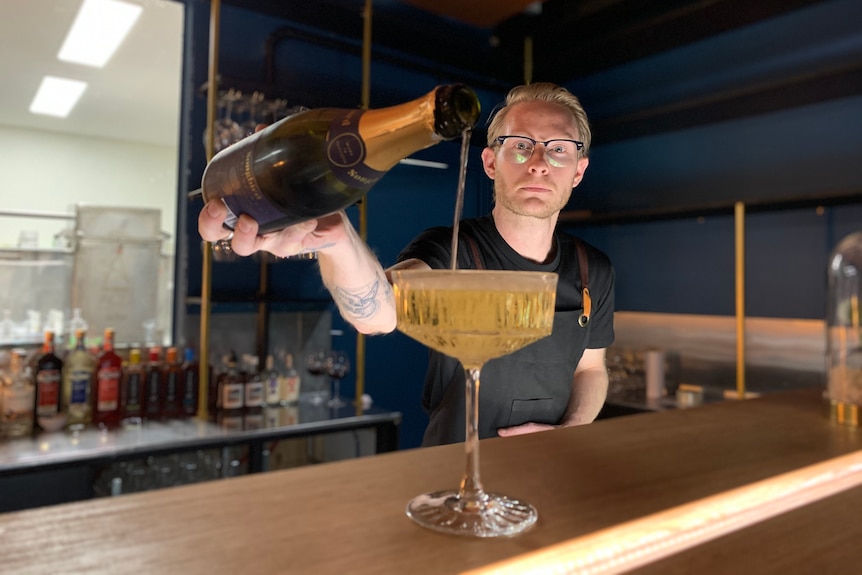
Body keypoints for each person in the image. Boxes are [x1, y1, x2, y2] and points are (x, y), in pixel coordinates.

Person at [199, 82, 615, 446]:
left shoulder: (591, 269)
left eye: (559, 149)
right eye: (521, 145)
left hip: (552, 468)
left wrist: (571, 430)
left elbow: (591, 371)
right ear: (490, 162)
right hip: (452, 475)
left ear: (578, 171)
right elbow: (379, 313)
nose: (539, 161)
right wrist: (338, 240)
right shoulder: (449, 252)